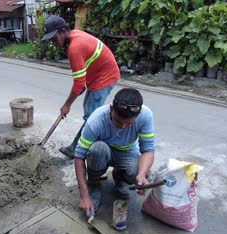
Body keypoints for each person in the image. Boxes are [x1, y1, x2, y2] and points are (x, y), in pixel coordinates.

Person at [41, 15, 120, 159]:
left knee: (91, 116)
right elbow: (80, 79)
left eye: (54, 38)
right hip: (95, 75)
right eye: (50, 40)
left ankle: (77, 148)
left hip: (105, 77)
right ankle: (91, 137)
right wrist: (80, 86)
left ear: (63, 31)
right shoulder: (72, 37)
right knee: (89, 110)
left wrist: (66, 105)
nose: (53, 43)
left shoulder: (74, 48)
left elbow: (78, 84)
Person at [73, 88, 155, 217]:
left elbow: (148, 150)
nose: (122, 126)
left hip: (127, 152)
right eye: (117, 121)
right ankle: (94, 183)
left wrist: (142, 174)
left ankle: (120, 178)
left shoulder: (145, 115)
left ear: (138, 116)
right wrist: (84, 195)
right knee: (98, 149)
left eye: (128, 123)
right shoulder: (96, 120)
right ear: (111, 109)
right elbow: (79, 156)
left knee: (144, 173)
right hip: (103, 152)